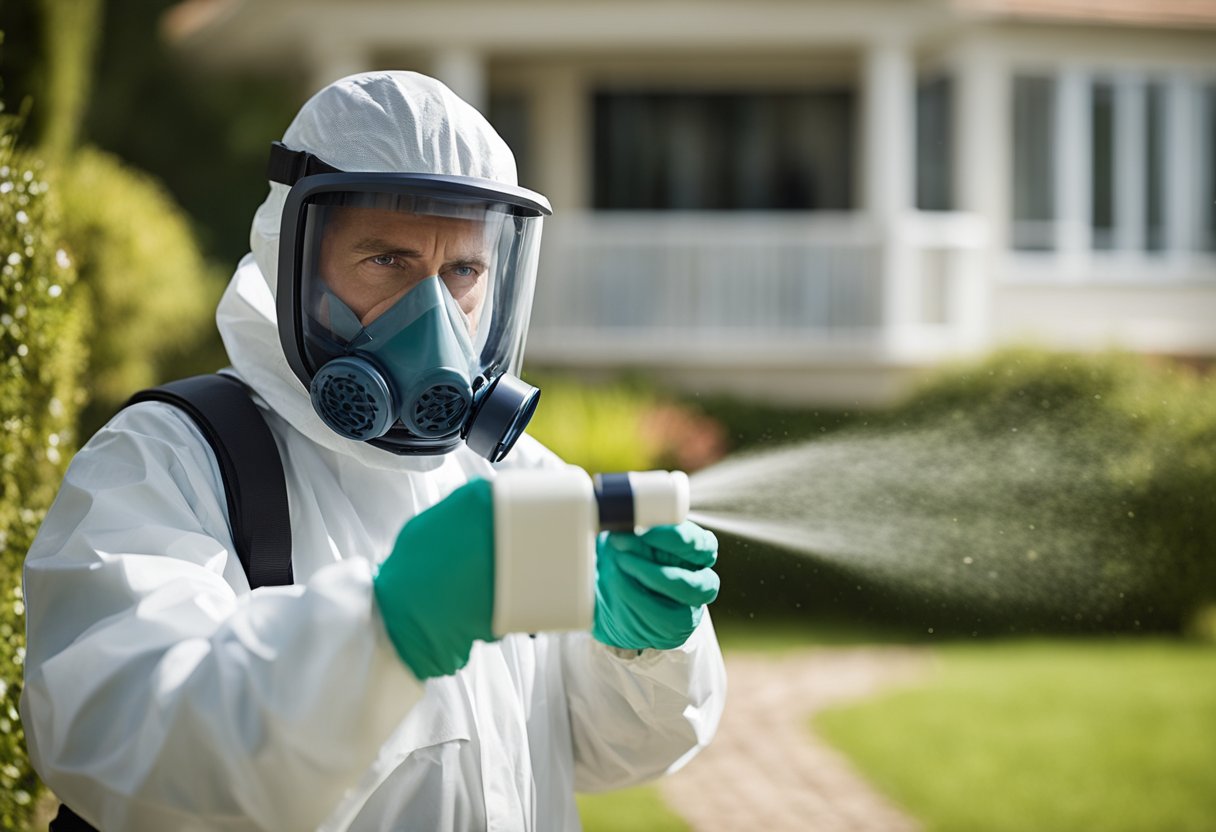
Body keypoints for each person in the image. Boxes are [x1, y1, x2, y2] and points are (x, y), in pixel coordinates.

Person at [20, 71, 726, 831]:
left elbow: (603, 754)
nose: (434, 316)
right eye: (387, 261)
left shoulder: (521, 478)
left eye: (463, 270)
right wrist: (385, 629)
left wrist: (639, 654)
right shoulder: (169, 462)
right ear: (294, 259)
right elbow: (122, 746)